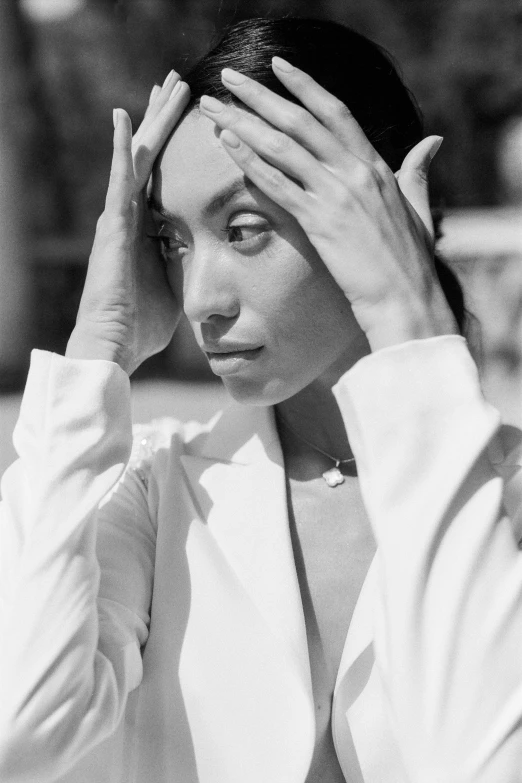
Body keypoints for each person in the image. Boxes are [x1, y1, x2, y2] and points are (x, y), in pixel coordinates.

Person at [1, 16, 521, 783]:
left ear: (374, 213)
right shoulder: (149, 488)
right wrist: (97, 347)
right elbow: (19, 735)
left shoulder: (503, 496)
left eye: (244, 229)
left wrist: (412, 331)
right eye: (173, 242)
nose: (201, 297)